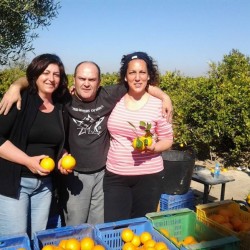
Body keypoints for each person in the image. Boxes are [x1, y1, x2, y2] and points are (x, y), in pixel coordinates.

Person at [0, 60, 173, 225]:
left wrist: (164, 96)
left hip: (103, 174)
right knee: (76, 225)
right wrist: (16, 86)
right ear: (73, 80)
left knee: (98, 225)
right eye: (82, 78)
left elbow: (138, 83)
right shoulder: (64, 98)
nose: (87, 83)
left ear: (99, 82)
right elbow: (34, 79)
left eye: (92, 79)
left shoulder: (108, 95)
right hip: (75, 174)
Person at [0, 54, 70, 238]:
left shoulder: (60, 105)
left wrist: (62, 154)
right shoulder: (21, 100)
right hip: (16, 183)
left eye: (56, 74)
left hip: (45, 186)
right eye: (46, 72)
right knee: (16, 241)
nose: (51, 78)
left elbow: (56, 142)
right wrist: (28, 161)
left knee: (37, 238)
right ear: (36, 74)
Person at [104, 52, 173, 222]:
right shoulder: (114, 100)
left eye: (142, 72)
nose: (137, 77)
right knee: (114, 225)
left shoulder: (159, 105)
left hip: (148, 176)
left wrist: (154, 147)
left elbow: (168, 140)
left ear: (149, 76)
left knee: (140, 226)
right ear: (125, 77)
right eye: (132, 72)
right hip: (116, 175)